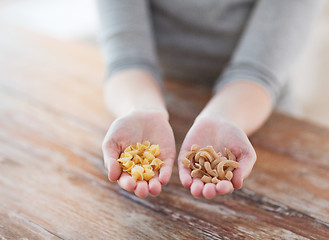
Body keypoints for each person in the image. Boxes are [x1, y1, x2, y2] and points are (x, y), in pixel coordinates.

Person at [97, 0, 321, 199]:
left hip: (253, 112)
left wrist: (223, 117)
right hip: (160, 98)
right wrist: (143, 108)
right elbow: (127, 60)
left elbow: (256, 74)